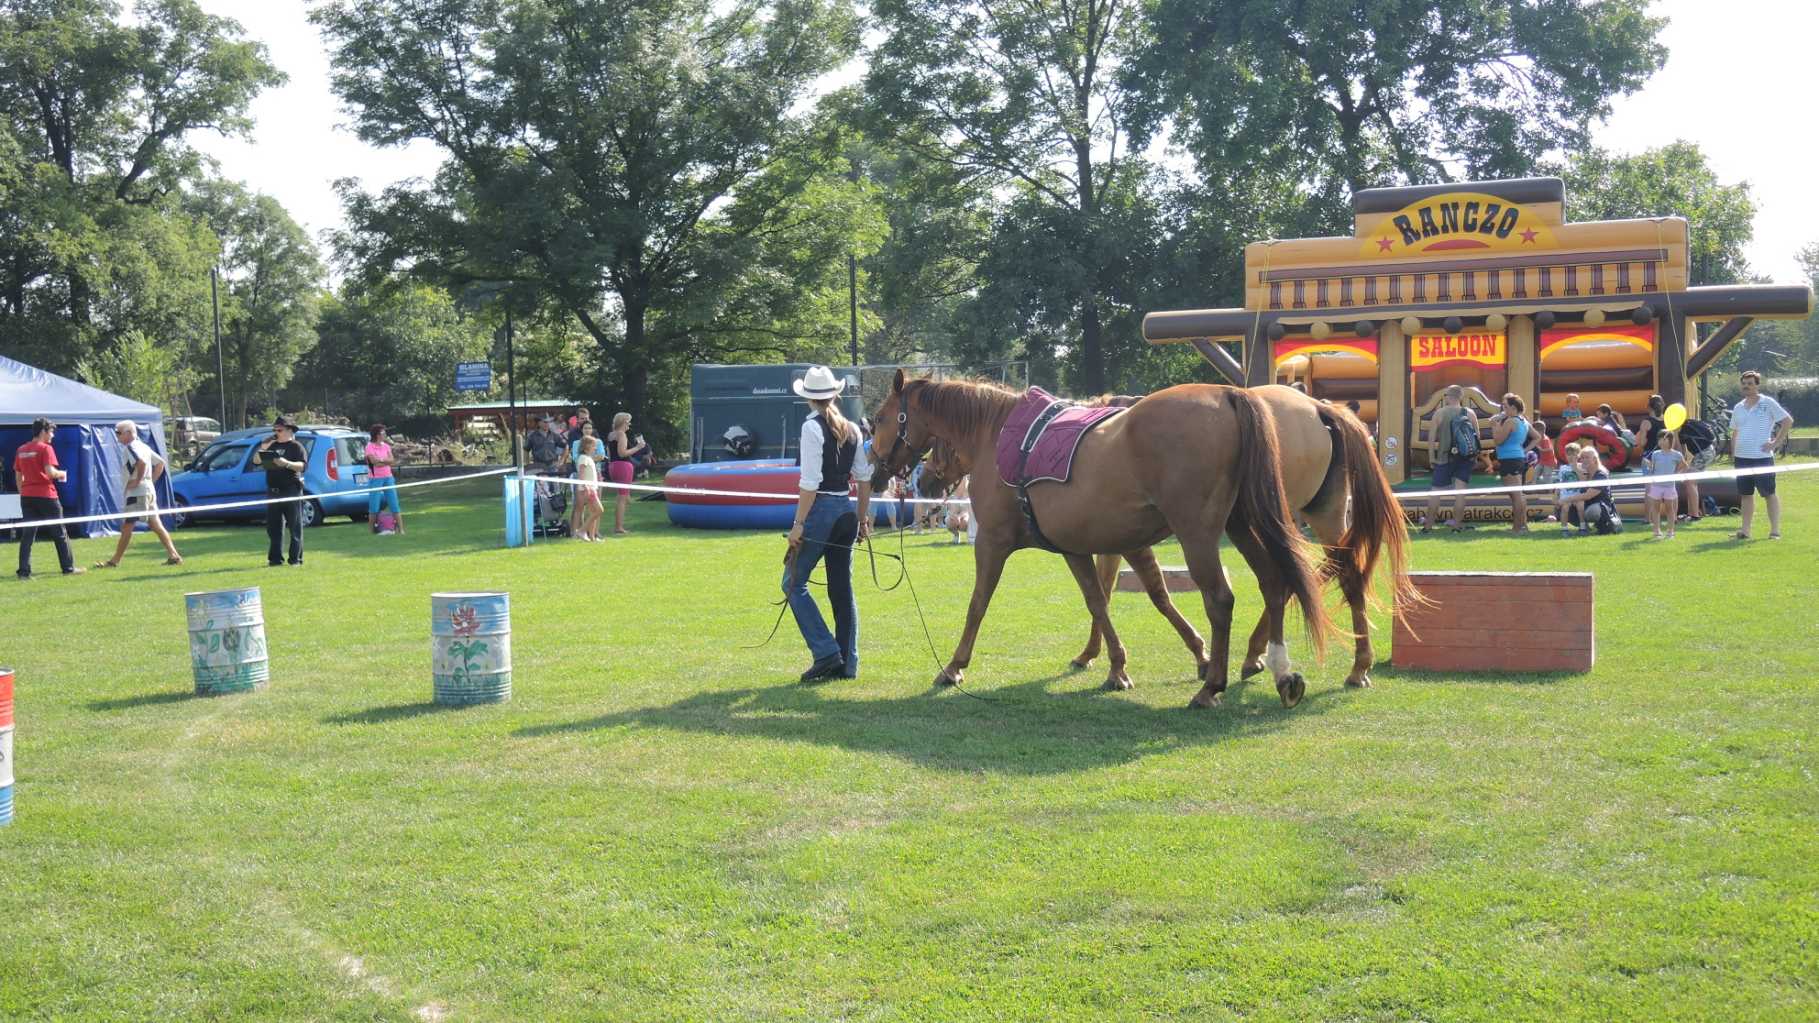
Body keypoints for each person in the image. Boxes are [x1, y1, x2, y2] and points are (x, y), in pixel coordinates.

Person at [784, 365, 873, 682]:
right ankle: (848, 663)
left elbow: (809, 483)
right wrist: (862, 518)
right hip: (845, 512)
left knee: (792, 584)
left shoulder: (811, 428)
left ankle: (825, 653)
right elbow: (864, 479)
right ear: (834, 395)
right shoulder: (853, 428)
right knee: (842, 589)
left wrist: (798, 524)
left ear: (809, 398)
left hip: (821, 510)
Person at [95, 420, 182, 569]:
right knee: (156, 525)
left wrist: (137, 482)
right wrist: (150, 481)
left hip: (137, 492)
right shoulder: (144, 446)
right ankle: (174, 555)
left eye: (119, 433)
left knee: (127, 526)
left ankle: (114, 561)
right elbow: (160, 463)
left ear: (129, 433)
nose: (117, 436)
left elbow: (141, 463)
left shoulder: (131, 447)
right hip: (148, 490)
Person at [13, 418, 82, 579]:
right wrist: (62, 473)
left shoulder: (21, 449)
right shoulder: (45, 449)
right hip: (46, 496)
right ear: (43, 431)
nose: (52, 436)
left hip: (27, 496)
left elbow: (18, 475)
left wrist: (23, 492)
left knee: (28, 535)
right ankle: (68, 568)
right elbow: (50, 473)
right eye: (51, 432)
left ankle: (24, 572)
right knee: (59, 533)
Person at [1730, 369, 1794, 539]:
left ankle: (1774, 531)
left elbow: (1787, 421)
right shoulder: (1738, 407)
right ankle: (1745, 531)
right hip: (1742, 458)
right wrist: (1733, 453)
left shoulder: (1768, 403)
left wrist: (1775, 443)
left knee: (1768, 493)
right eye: (1744, 384)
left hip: (1762, 457)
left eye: (1750, 384)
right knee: (1745, 495)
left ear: (1757, 385)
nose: (1746, 387)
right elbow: (1735, 432)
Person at [1423, 384, 1479, 532]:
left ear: (1448, 396)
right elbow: (1476, 437)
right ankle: (1457, 525)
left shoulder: (1440, 413)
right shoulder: (1470, 413)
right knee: (1460, 492)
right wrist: (1474, 458)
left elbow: (1431, 438)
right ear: (1461, 397)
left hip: (1444, 456)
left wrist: (1431, 457)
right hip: (1465, 458)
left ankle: (1428, 527)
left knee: (1436, 492)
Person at [256, 418, 309, 566]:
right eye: (275, 430)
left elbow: (302, 466)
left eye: (279, 430)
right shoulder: (271, 445)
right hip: (273, 491)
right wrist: (263, 448)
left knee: (295, 527)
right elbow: (256, 460)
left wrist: (285, 463)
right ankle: (275, 559)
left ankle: (295, 559)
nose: (276, 433)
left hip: (291, 489)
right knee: (274, 528)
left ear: (289, 430)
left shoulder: (296, 447)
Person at [1490, 392, 1532, 533]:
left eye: (1506, 406)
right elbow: (1537, 437)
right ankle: (1523, 525)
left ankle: (1517, 527)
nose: (1503, 409)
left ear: (1514, 408)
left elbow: (1498, 440)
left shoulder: (1510, 421)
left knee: (1516, 495)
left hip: (1510, 459)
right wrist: (1524, 450)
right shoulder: (1523, 420)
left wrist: (1495, 426)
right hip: (1517, 458)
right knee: (1518, 494)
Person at [1558, 447, 1620, 536]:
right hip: (1584, 503)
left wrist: (1567, 499)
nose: (1583, 460)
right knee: (1564, 508)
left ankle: (1602, 524)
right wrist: (1557, 496)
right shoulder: (1582, 471)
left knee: (1592, 511)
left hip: (1600, 506)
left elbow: (1588, 495)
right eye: (1582, 458)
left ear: (1595, 459)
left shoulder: (1601, 474)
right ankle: (1583, 527)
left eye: (1587, 457)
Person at [606, 411, 648, 536]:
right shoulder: (621, 434)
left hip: (613, 466)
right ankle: (619, 527)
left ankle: (619, 524)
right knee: (622, 498)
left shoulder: (610, 435)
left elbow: (610, 453)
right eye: (628, 421)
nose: (629, 424)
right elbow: (622, 453)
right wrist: (638, 447)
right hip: (623, 466)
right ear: (624, 422)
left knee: (622, 497)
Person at [1643, 429, 1690, 539]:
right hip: (1656, 486)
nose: (1661, 442)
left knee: (1670, 509)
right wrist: (1648, 465)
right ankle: (1656, 531)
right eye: (1659, 440)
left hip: (1669, 486)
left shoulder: (1677, 455)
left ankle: (1670, 531)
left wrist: (1677, 474)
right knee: (1656, 509)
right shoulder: (1655, 454)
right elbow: (1652, 469)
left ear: (1671, 441)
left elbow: (1685, 466)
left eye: (1664, 439)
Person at [526, 414, 570, 532]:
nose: (547, 424)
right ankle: (535, 520)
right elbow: (526, 450)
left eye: (548, 422)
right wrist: (528, 466)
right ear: (539, 423)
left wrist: (561, 461)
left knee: (555, 493)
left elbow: (566, 446)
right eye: (544, 422)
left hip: (552, 468)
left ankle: (555, 518)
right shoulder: (532, 436)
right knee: (538, 494)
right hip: (538, 468)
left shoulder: (554, 435)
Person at [364, 424, 403, 535]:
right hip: (375, 478)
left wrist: (381, 460)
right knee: (374, 506)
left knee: (394, 504)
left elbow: (391, 460)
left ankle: (401, 530)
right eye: (383, 433)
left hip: (388, 477)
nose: (385, 435)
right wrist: (383, 461)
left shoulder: (386, 446)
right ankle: (371, 532)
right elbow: (374, 462)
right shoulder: (369, 447)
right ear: (377, 435)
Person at [570, 436, 605, 541]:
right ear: (586, 447)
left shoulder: (589, 458)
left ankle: (592, 537)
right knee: (599, 510)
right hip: (588, 489)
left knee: (593, 512)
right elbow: (581, 473)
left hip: (592, 488)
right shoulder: (583, 458)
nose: (595, 448)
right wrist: (586, 487)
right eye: (593, 446)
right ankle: (582, 531)